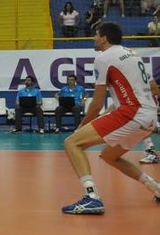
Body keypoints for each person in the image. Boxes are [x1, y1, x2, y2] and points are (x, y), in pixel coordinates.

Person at [61, 22, 160, 214]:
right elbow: (151, 89)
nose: (94, 39)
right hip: (149, 117)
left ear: (104, 38)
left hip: (132, 114)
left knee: (72, 142)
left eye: (96, 35)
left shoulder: (104, 58)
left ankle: (92, 197)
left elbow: (97, 103)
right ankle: (155, 187)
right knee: (109, 156)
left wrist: (81, 126)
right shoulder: (132, 54)